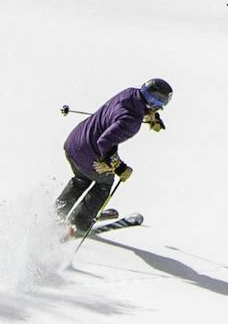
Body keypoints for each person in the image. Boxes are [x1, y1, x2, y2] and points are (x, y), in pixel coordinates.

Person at [57, 78, 171, 230]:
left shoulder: (130, 92)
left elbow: (126, 110)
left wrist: (150, 116)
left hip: (73, 144)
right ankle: (78, 223)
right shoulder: (132, 122)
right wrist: (120, 168)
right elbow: (105, 142)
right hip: (89, 153)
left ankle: (56, 214)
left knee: (81, 179)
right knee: (104, 182)